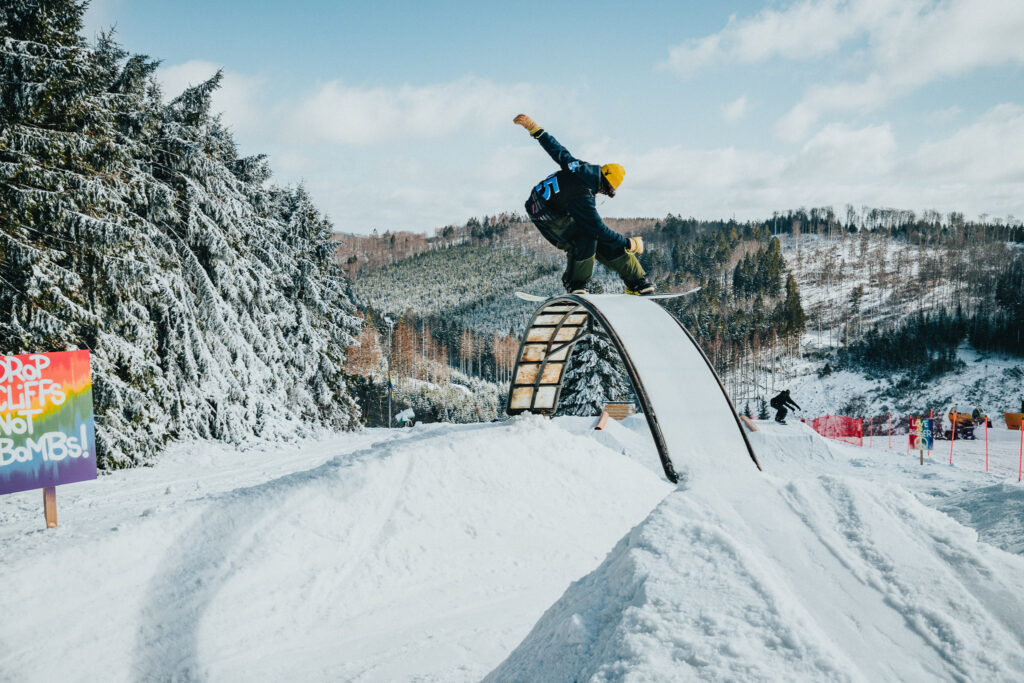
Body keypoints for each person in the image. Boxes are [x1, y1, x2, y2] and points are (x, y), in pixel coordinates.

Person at [513, 113, 654, 294]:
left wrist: (535, 129)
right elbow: (598, 229)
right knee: (585, 238)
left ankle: (637, 280)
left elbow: (558, 151)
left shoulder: (580, 168)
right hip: (544, 212)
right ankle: (576, 284)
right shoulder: (583, 195)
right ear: (606, 185)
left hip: (555, 206)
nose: (602, 194)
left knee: (597, 237)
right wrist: (628, 243)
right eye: (607, 191)